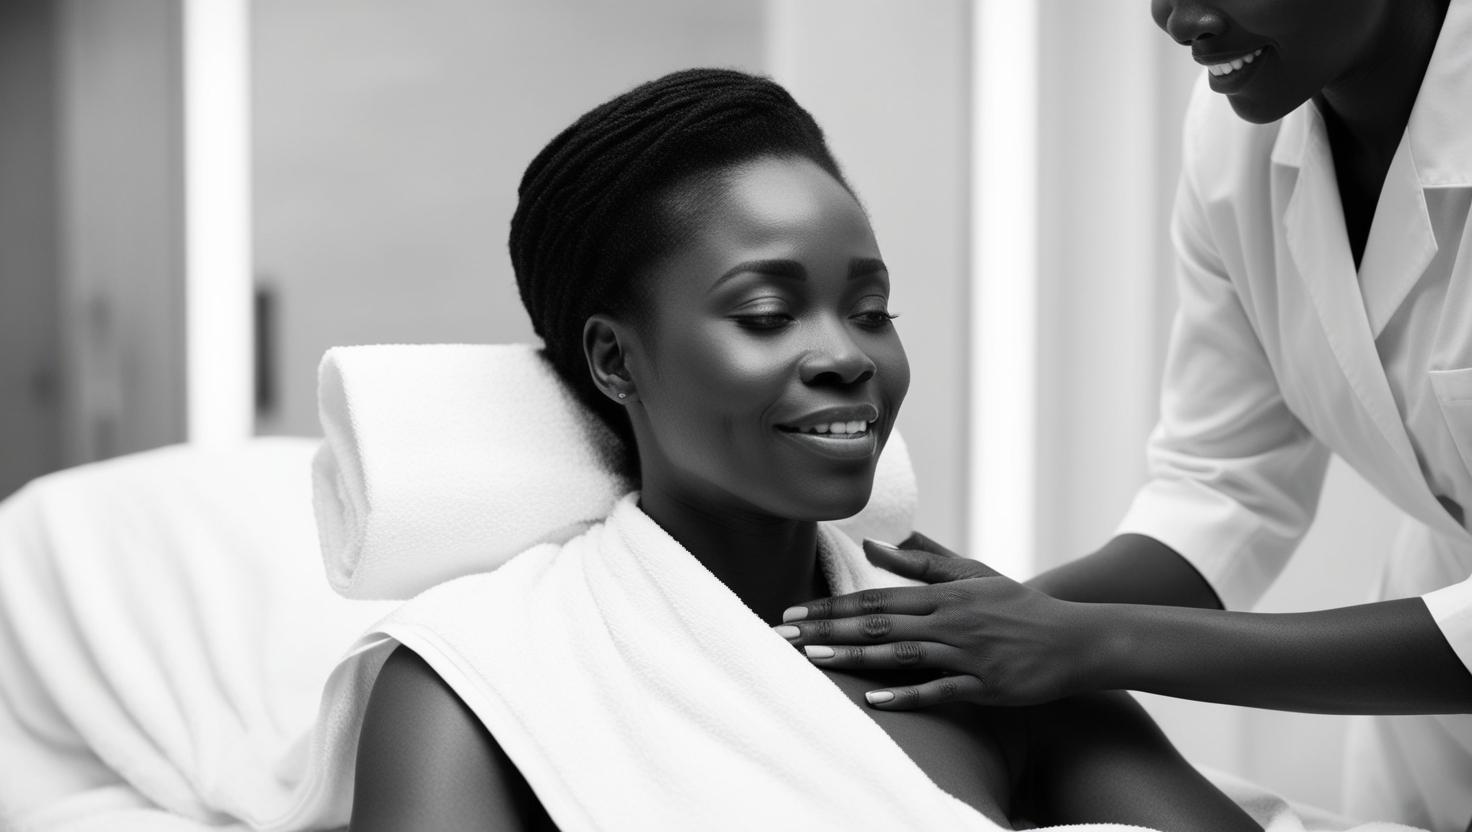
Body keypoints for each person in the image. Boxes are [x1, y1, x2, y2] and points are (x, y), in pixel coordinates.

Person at [346, 69, 1257, 830]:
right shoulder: (474, 684)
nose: (849, 355)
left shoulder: (992, 661)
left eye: (871, 312)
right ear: (615, 359)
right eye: (767, 315)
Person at [780, 1, 1472, 829]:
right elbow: (1221, 492)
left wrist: (1086, 644)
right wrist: (988, 631)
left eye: (870, 310)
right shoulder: (1237, 137)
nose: (1178, 18)